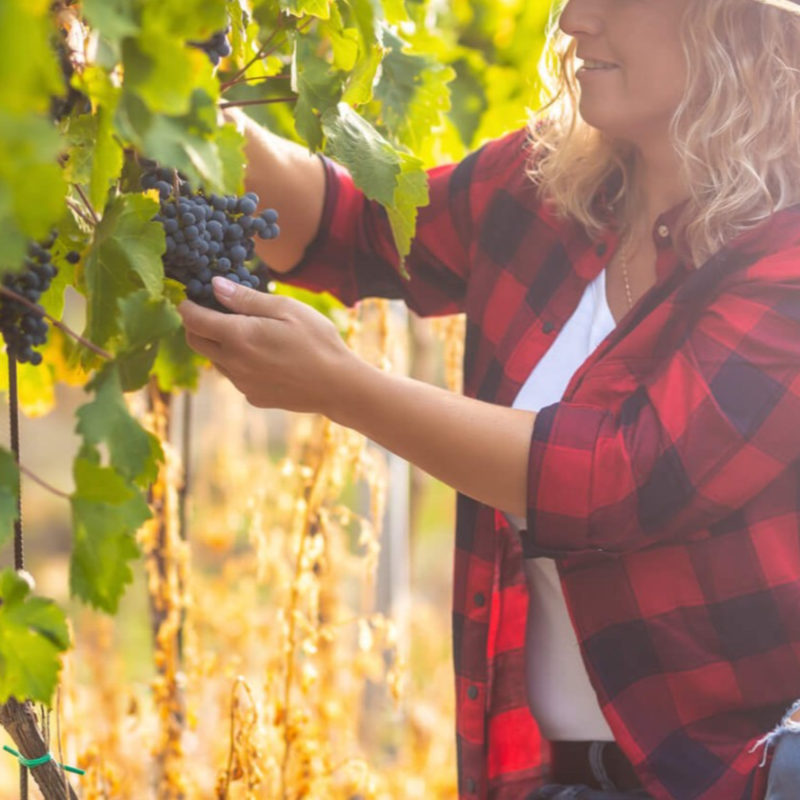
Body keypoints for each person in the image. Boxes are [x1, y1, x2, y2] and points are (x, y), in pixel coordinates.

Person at [178, 0, 800, 797]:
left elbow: (620, 477)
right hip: (551, 774)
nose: (575, 18)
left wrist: (343, 388)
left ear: (740, 26)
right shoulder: (554, 187)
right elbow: (351, 227)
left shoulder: (785, 251)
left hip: (735, 775)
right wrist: (164, 99)